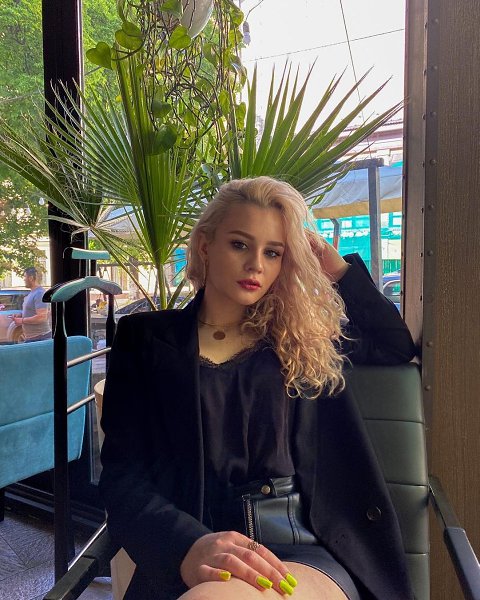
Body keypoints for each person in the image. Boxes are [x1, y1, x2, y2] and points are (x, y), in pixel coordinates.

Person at [99, 177, 417, 600]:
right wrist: (186, 545)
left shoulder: (302, 338)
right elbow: (123, 476)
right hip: (193, 544)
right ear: (205, 246)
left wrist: (333, 265)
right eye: (239, 245)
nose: (256, 265)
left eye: (273, 252)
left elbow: (393, 344)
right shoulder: (144, 339)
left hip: (299, 544)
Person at [12, 267, 51, 343]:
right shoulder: (32, 293)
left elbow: (42, 317)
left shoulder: (39, 293)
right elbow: (32, 311)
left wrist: (22, 320)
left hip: (41, 338)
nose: (24, 279)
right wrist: (20, 315)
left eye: (25, 276)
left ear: (31, 278)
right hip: (32, 338)